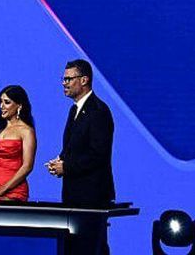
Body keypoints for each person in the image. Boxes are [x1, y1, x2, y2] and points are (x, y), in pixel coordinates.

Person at [46, 59, 115, 255]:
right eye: (63, 79)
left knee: (91, 248)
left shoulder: (99, 111)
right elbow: (74, 147)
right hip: (73, 195)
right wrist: (59, 160)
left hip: (91, 198)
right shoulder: (74, 110)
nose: (64, 83)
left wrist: (66, 167)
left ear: (84, 80)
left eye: (69, 79)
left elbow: (98, 154)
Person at [0, 85, 36, 202]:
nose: (1, 106)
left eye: (6, 102)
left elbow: (27, 166)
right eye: (0, 102)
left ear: (19, 106)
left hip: (14, 192)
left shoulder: (27, 131)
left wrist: (3, 189)